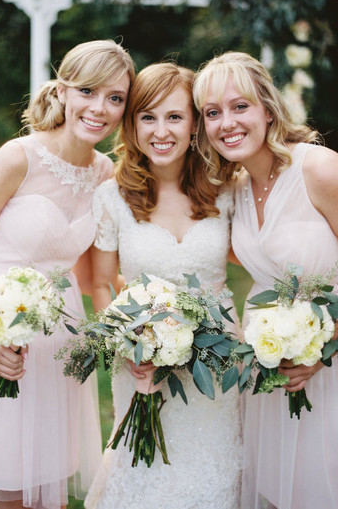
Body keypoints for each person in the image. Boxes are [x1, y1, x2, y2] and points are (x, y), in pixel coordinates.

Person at [192, 50, 338, 509]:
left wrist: (325, 349)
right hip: (275, 372)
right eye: (212, 113)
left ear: (269, 110)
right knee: (281, 493)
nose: (226, 123)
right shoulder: (235, 189)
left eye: (240, 106)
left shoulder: (318, 169)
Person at [0, 40, 135, 509]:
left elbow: (91, 276)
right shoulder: (19, 157)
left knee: (49, 486)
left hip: (60, 342)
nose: (99, 108)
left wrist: (144, 317)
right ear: (62, 91)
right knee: (14, 489)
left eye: (115, 98)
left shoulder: (104, 173)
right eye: (88, 91)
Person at [84, 62, 243, 509]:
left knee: (213, 479)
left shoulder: (227, 190)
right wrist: (127, 343)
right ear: (132, 125)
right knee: (146, 478)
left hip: (220, 362)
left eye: (174, 116)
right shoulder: (112, 197)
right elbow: (101, 285)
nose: (161, 131)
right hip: (142, 366)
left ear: (194, 123)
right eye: (148, 117)